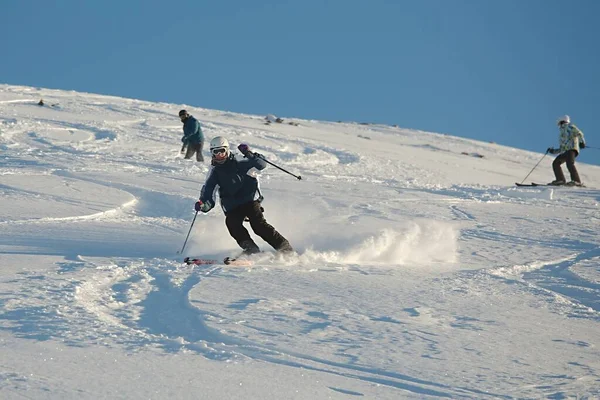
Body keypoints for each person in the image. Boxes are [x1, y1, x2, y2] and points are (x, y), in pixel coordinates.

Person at [194, 136, 294, 255]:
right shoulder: (214, 171)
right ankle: (251, 249)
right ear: (212, 153)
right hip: (232, 206)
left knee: (258, 225)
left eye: (222, 151)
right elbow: (208, 193)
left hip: (250, 200)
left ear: (227, 150)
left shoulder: (240, 160)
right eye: (216, 152)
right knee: (232, 224)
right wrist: (204, 205)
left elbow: (261, 165)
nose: (219, 155)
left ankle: (284, 248)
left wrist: (249, 153)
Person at [547, 115, 586, 186]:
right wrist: (553, 151)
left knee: (569, 164)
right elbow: (562, 148)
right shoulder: (561, 134)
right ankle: (560, 180)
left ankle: (576, 181)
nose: (558, 125)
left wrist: (582, 142)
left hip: (571, 149)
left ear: (561, 121)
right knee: (556, 163)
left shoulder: (570, 126)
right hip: (566, 151)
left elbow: (579, 133)